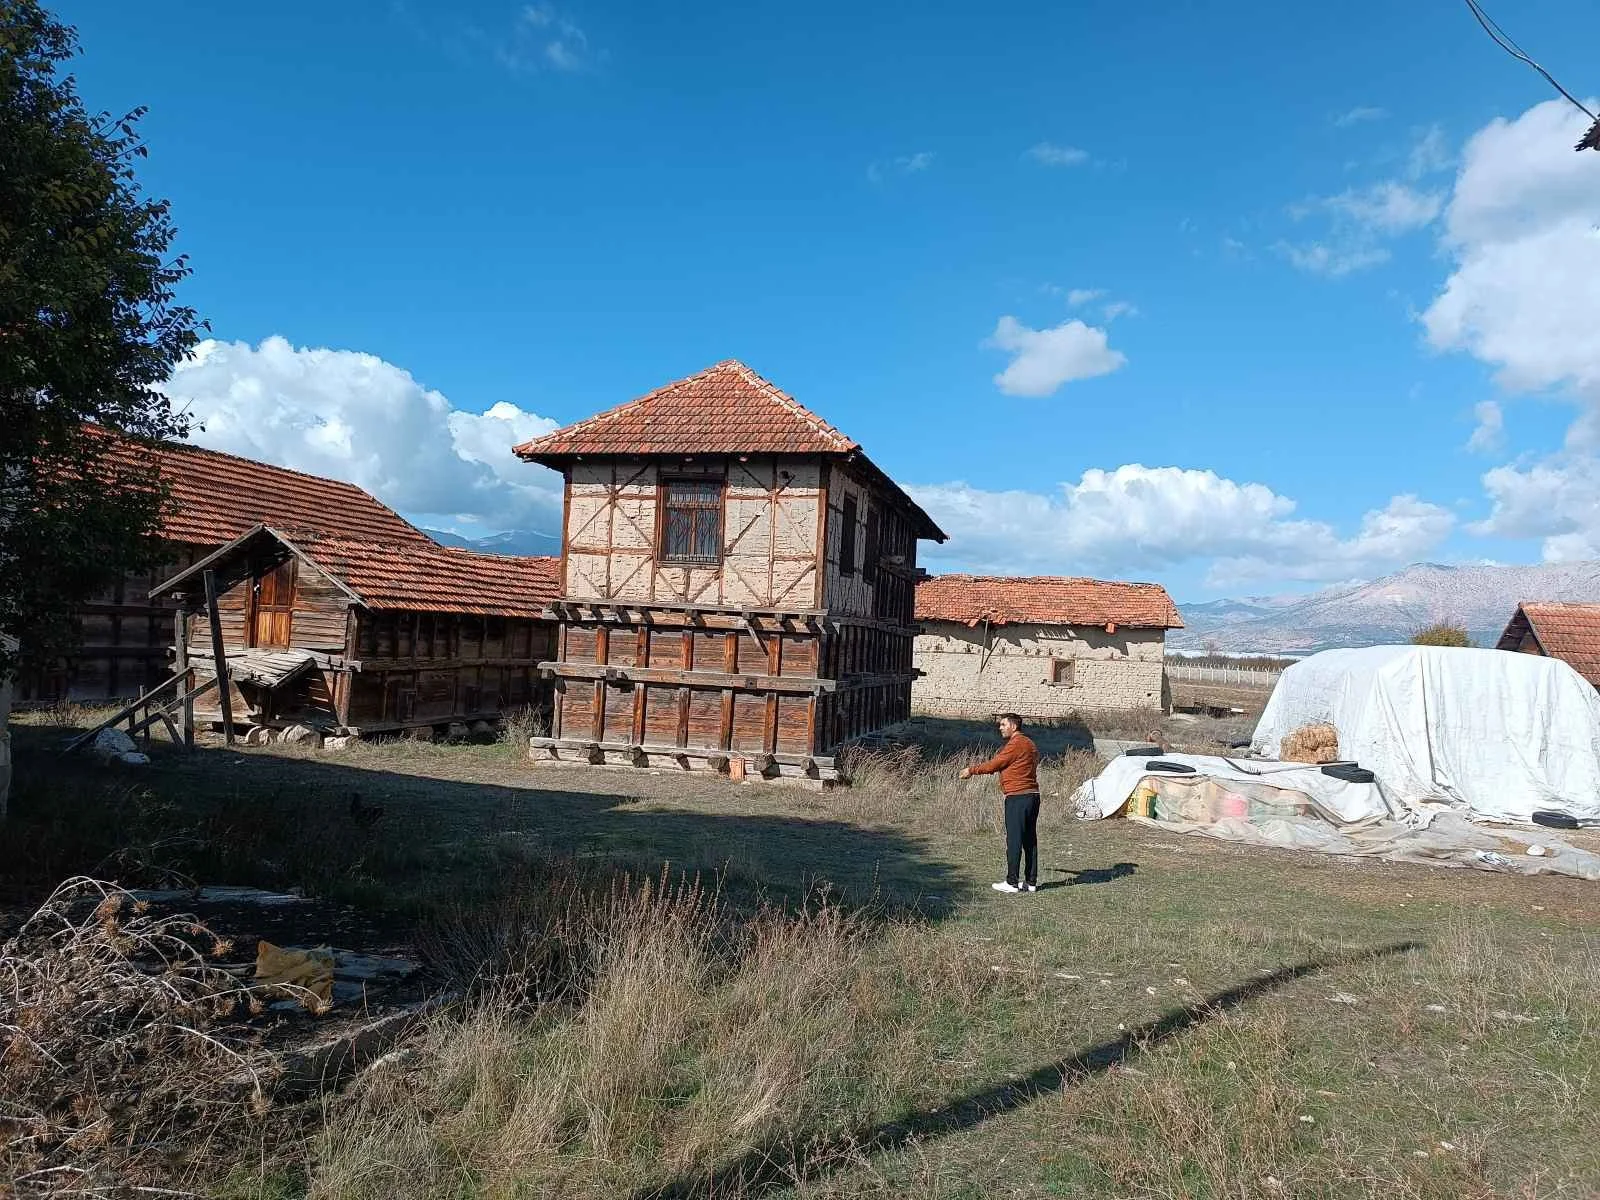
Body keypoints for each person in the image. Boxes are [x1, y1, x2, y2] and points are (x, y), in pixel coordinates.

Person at [959, 712, 1041, 893]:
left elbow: (996, 764)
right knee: (1029, 839)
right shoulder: (1030, 743)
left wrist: (971, 770)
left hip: (1018, 797)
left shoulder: (1016, 744)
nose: (1000, 728)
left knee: (1014, 839)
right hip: (1033, 795)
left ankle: (1011, 882)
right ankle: (1031, 882)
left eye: (1003, 724)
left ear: (1013, 726)